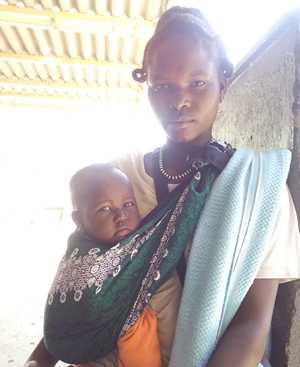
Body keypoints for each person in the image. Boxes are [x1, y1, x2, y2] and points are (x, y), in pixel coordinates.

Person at [25, 6, 300, 367]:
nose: (179, 100)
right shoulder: (120, 180)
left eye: (197, 83)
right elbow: (84, 287)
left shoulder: (258, 191)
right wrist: (40, 358)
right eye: (163, 87)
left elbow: (251, 326)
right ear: (148, 88)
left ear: (223, 82)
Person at [43, 163, 182, 367]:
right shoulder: (76, 257)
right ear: (79, 221)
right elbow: (64, 310)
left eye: (128, 204)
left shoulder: (146, 250)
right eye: (105, 209)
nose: (121, 216)